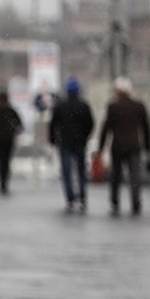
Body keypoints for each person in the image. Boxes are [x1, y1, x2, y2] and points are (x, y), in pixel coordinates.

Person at [97, 76, 150, 216]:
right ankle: (135, 201)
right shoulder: (139, 106)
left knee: (116, 175)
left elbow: (106, 128)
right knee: (135, 176)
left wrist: (101, 147)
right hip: (134, 146)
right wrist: (148, 147)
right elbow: (146, 128)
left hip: (118, 146)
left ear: (118, 91)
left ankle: (115, 201)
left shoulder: (113, 107)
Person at [48, 76, 95, 213]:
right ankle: (82, 196)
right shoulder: (84, 105)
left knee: (67, 171)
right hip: (80, 142)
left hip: (65, 142)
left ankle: (70, 198)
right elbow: (90, 124)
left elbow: (53, 125)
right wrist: (85, 137)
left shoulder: (60, 106)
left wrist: (53, 139)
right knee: (81, 171)